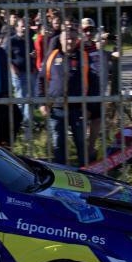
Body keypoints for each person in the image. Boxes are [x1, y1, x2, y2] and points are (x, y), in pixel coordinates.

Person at [39, 28, 101, 168]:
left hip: (78, 109)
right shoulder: (52, 56)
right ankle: (60, 174)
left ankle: (87, 173)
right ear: (60, 40)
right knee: (58, 145)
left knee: (81, 144)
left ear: (77, 40)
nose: (69, 41)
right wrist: (42, 102)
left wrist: (90, 107)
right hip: (56, 109)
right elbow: (41, 79)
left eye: (73, 38)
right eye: (66, 38)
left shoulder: (84, 57)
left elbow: (94, 83)